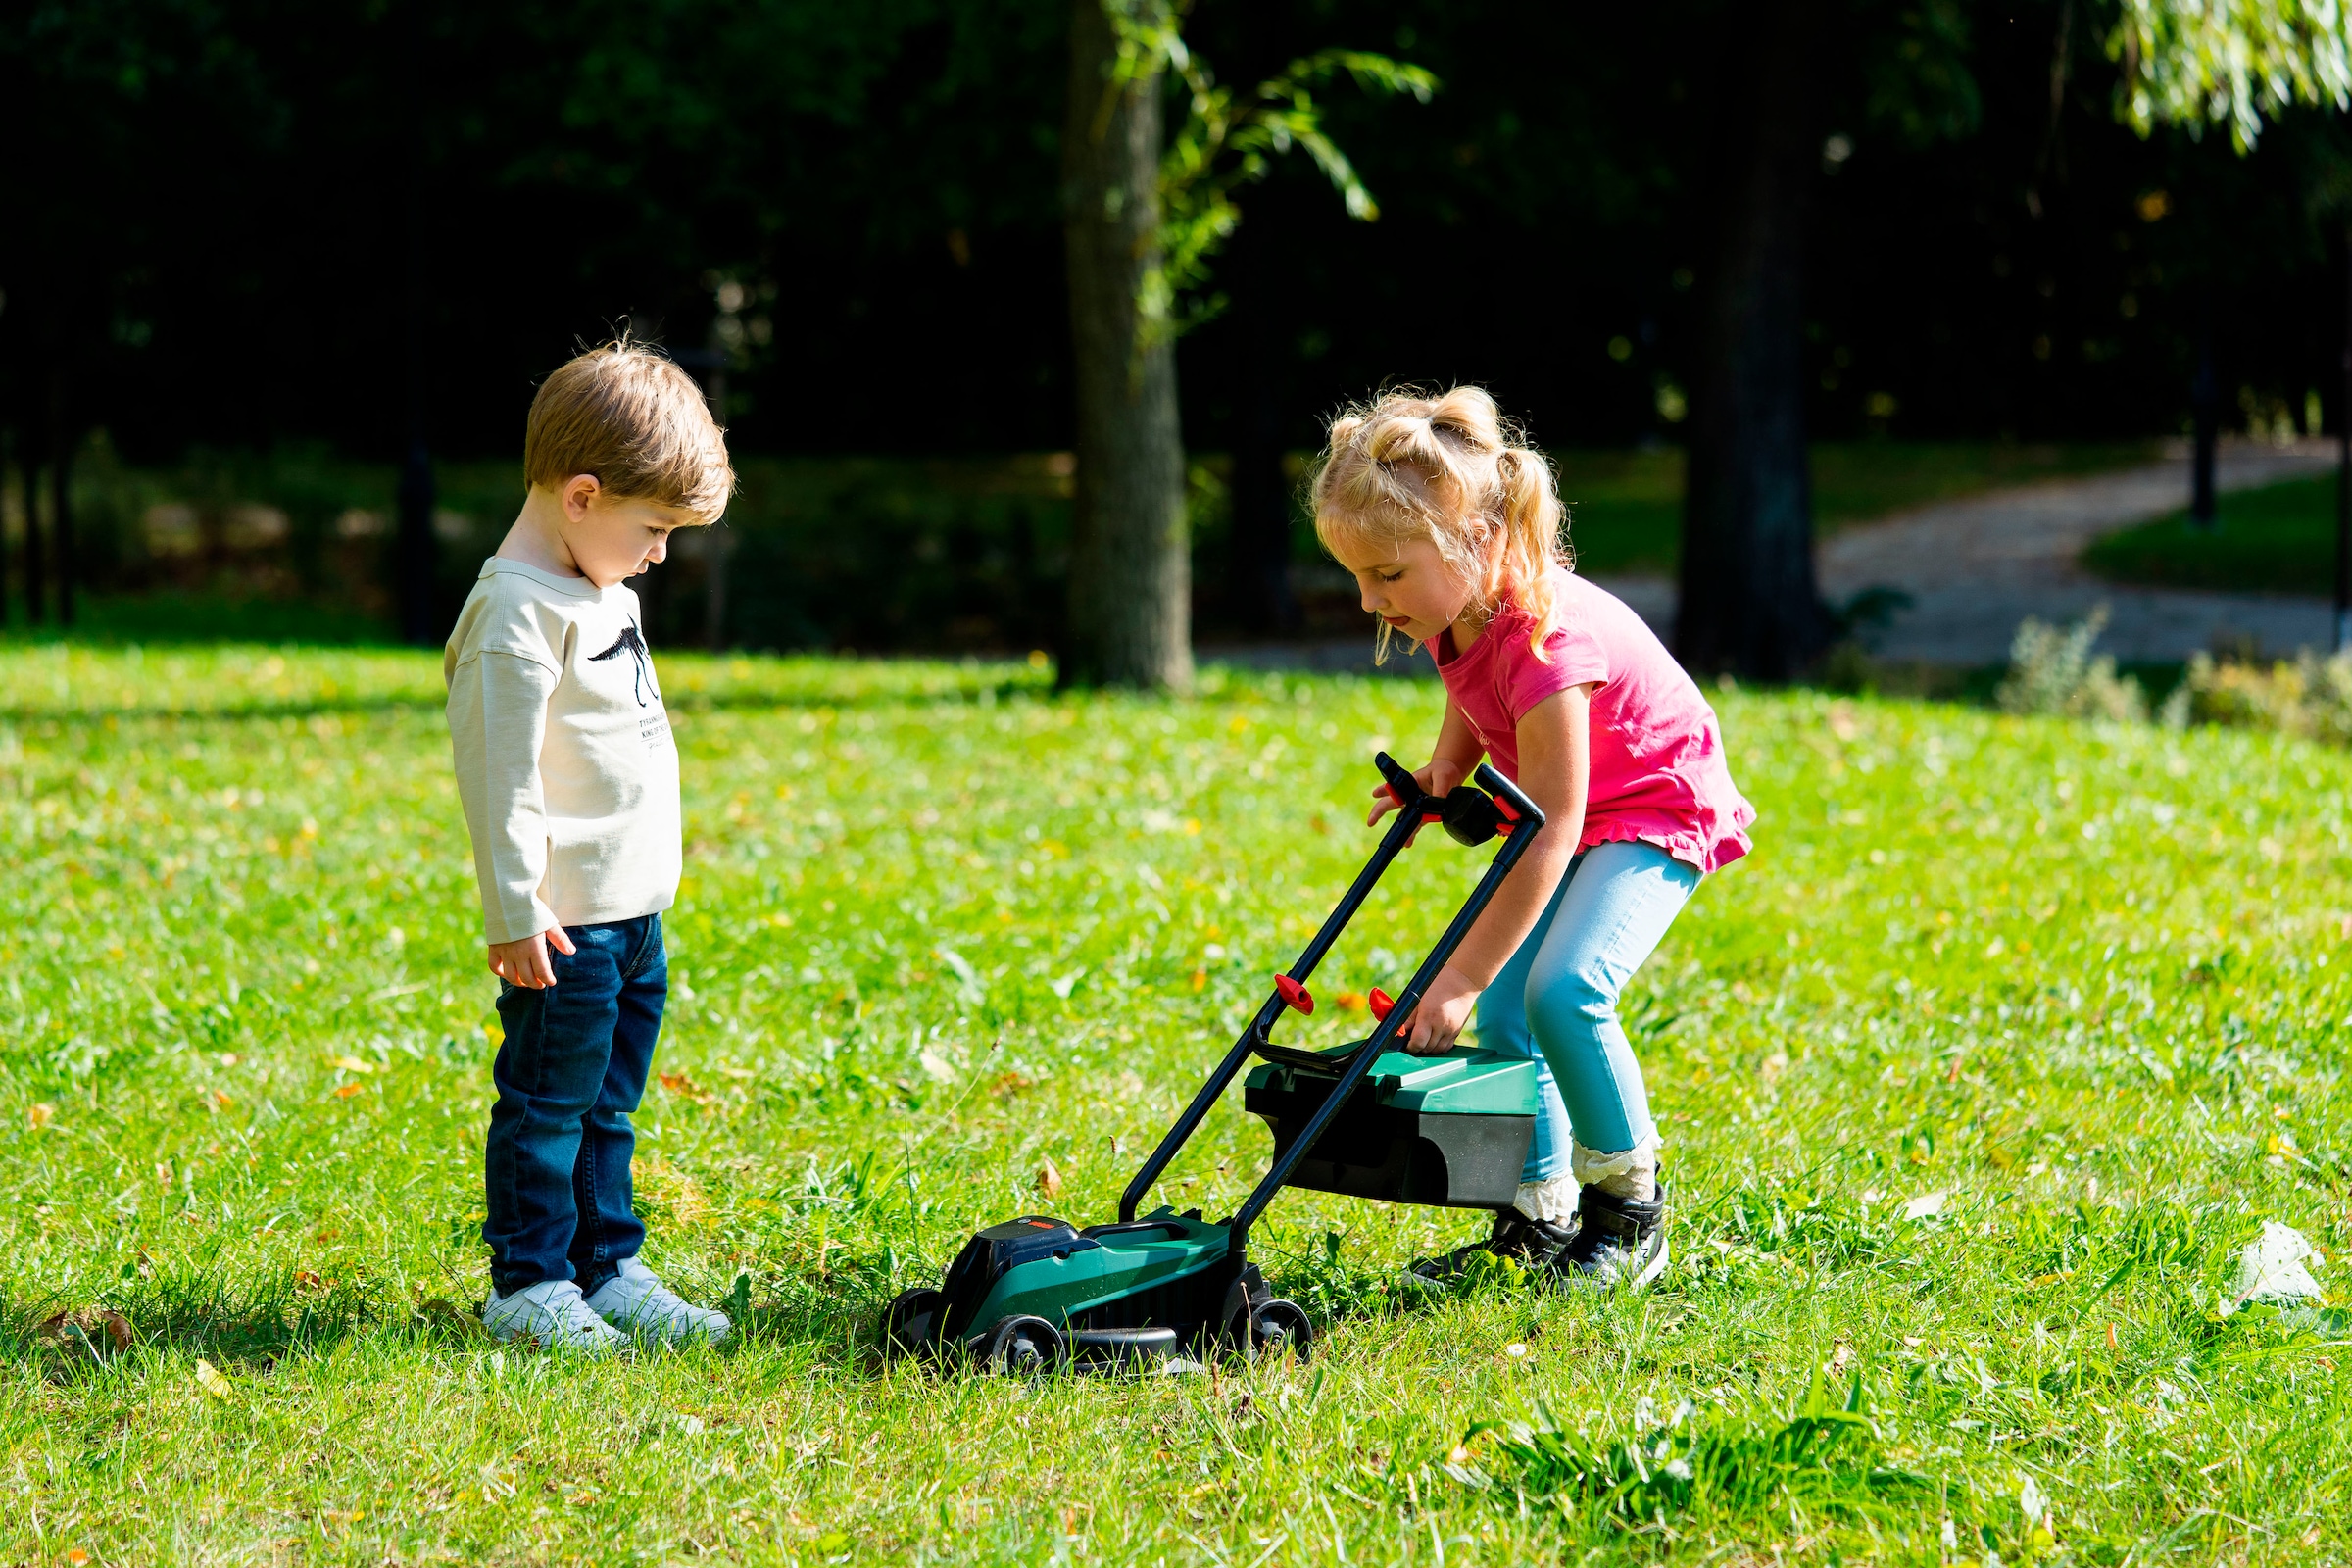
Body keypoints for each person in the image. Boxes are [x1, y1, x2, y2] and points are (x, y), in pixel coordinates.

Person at [1309, 385, 1754, 1288]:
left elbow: (1547, 828)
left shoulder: (1552, 646)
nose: (1369, 601)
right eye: (1357, 577)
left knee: (1565, 991)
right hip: (1578, 809)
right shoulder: (1453, 609)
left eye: (1387, 576)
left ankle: (1631, 1212)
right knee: (1514, 1016)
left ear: (1471, 542)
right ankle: (1539, 1214)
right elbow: (1472, 688)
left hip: (1653, 806)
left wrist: (1460, 979)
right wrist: (1444, 767)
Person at [444, 340, 736, 1350]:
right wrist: (517, 906)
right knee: (548, 1105)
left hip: (632, 917)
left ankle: (605, 1267)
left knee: (607, 1108)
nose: (660, 551)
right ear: (580, 495)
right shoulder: (515, 616)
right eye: (653, 528)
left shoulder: (602, 588)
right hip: (564, 926)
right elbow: (501, 776)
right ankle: (530, 1282)